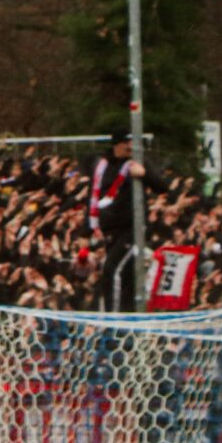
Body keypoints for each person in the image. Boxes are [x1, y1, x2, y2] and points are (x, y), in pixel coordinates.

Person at [86, 132, 145, 312]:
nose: (130, 146)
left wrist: (144, 172)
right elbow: (93, 194)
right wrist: (89, 227)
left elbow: (160, 184)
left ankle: (117, 316)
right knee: (115, 272)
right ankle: (117, 314)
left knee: (114, 270)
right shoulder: (102, 166)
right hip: (111, 229)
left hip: (130, 228)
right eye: (127, 142)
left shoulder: (135, 163)